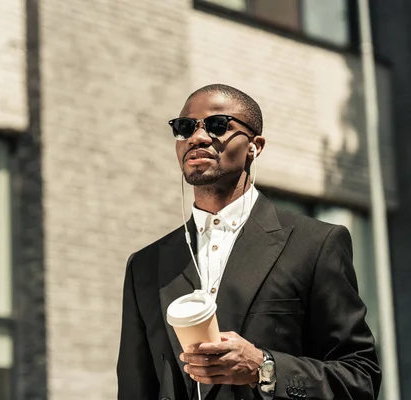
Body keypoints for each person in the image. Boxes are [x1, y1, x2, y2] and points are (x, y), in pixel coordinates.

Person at [116, 84, 381, 400]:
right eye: (185, 127)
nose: (198, 138)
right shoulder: (145, 266)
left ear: (255, 145)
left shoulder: (315, 243)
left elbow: (360, 377)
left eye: (217, 125)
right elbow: (135, 388)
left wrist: (264, 367)